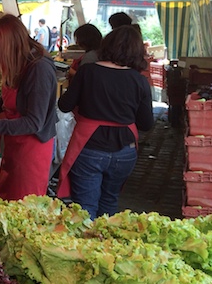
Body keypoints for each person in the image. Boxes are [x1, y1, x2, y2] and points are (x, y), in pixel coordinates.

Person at [57, 25, 154, 219]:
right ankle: (104, 244)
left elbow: (65, 105)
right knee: (109, 202)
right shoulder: (139, 80)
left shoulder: (88, 72)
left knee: (85, 207)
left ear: (106, 45)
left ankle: (83, 247)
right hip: (125, 151)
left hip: (89, 147)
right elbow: (146, 124)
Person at [0, 14, 58, 200]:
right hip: (14, 146)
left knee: (23, 205)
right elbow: (6, 100)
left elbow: (34, 123)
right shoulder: (19, 62)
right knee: (6, 199)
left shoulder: (39, 69)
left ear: (6, 46)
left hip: (32, 151)